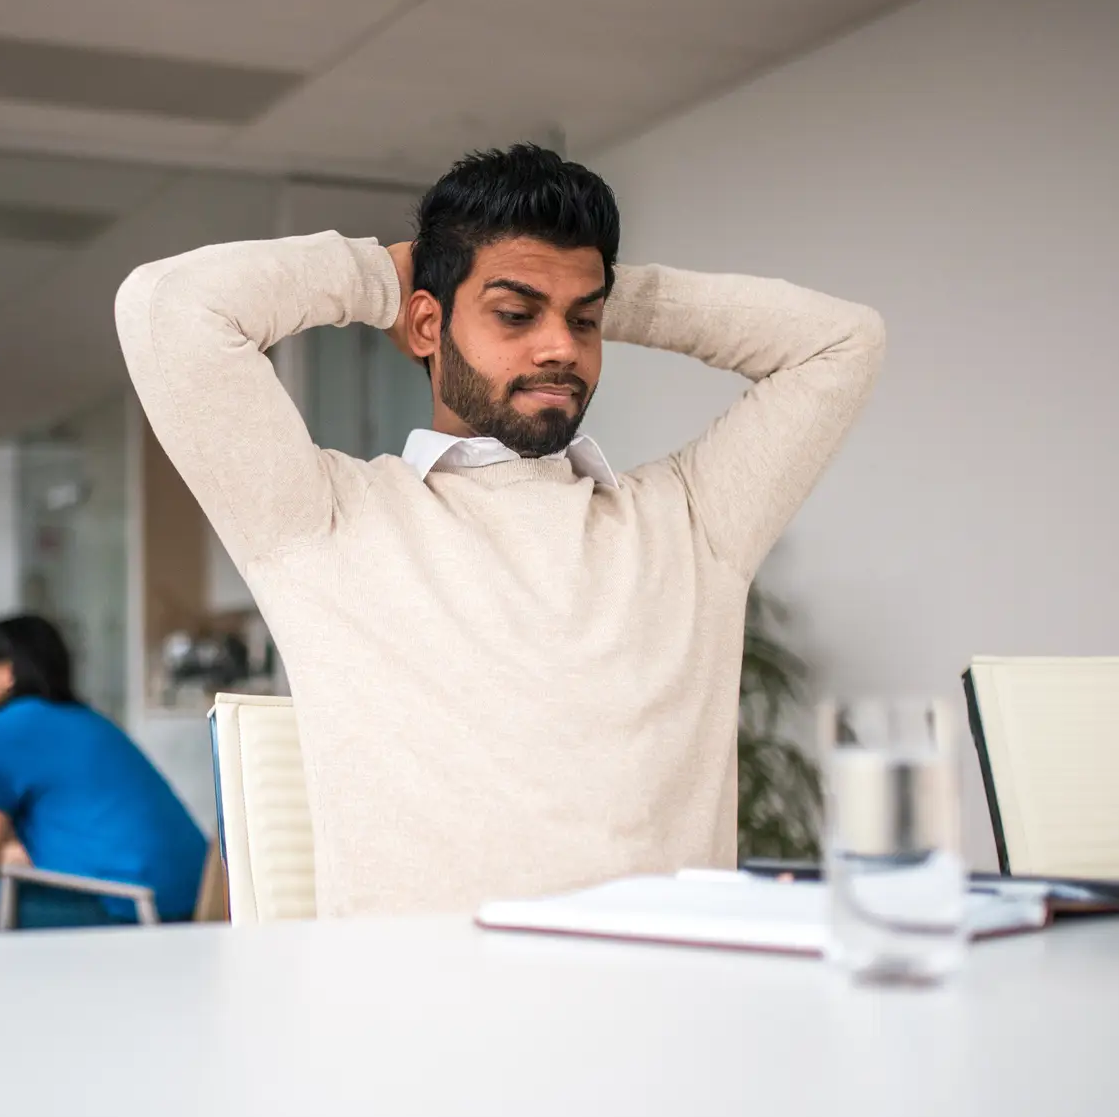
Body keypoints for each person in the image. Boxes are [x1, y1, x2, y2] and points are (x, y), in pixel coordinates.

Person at [116, 143, 885, 916]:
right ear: (426, 325)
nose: (559, 346)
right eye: (515, 313)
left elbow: (841, 342)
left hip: (665, 1011)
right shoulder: (324, 522)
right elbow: (168, 308)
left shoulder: (690, 523)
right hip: (429, 1017)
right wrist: (383, 279)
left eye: (584, 321)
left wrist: (611, 294)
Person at [0, 614, 208, 930]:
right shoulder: (86, 719)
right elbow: (47, 848)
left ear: (7, 674)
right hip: (198, 902)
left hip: (132, 909)